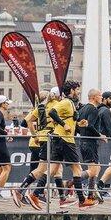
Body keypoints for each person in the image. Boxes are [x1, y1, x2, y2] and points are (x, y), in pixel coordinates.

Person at [39, 81, 95, 209]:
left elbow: (70, 122)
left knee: (53, 169)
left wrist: (79, 124)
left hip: (61, 138)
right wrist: (64, 125)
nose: (79, 92)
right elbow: (52, 112)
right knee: (77, 169)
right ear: (72, 90)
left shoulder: (71, 103)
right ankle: (82, 200)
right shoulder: (65, 102)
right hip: (65, 140)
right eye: (77, 90)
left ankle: (36, 193)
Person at [77, 89, 105, 203]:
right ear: (94, 97)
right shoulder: (93, 109)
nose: (102, 98)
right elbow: (90, 126)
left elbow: (79, 125)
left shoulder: (82, 109)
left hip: (82, 141)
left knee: (95, 167)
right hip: (90, 143)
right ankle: (74, 181)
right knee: (93, 171)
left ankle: (90, 195)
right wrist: (99, 135)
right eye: (100, 95)